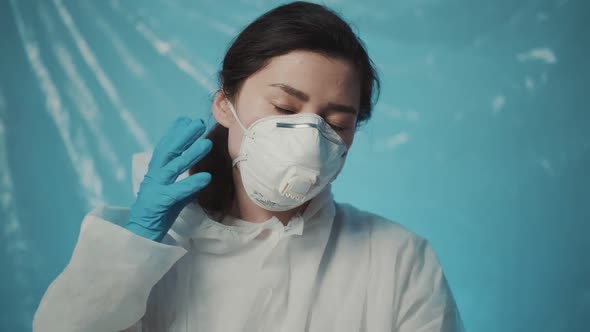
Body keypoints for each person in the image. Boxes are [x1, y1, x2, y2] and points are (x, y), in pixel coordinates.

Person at [32, 1, 465, 331]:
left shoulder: (396, 258)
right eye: (283, 105)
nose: (307, 137)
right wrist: (129, 257)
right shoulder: (151, 254)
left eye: (336, 122)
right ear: (225, 102)